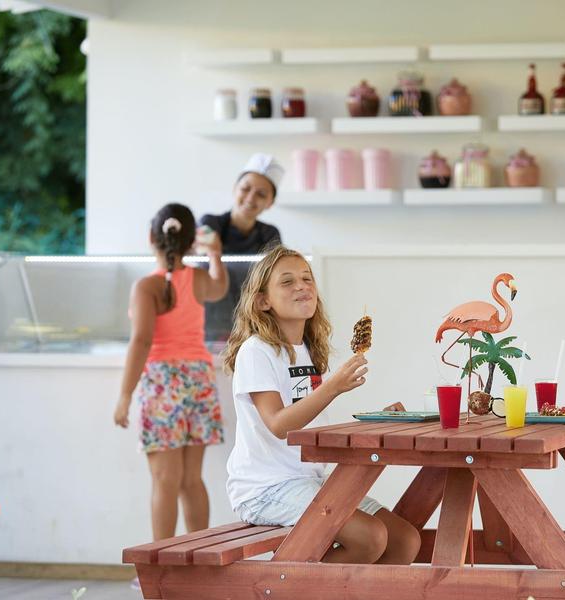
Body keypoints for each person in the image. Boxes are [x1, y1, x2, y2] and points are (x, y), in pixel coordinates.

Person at [222, 245, 421, 565]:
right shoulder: (256, 351)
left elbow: (315, 421)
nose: (302, 286)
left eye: (307, 278)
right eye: (287, 282)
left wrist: (375, 418)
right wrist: (332, 388)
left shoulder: (310, 352)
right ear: (262, 301)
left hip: (309, 480)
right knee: (369, 537)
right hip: (265, 490)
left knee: (404, 540)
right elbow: (277, 424)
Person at [114, 203, 228, 546]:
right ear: (192, 240)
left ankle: (160, 567)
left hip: (163, 384)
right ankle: (201, 564)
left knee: (165, 479)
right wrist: (216, 255)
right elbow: (220, 289)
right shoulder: (197, 277)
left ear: (151, 237)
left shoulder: (146, 287)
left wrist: (125, 394)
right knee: (192, 480)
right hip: (199, 380)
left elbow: (142, 340)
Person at [200, 153, 284, 342]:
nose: (250, 198)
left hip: (253, 329)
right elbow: (204, 249)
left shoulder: (270, 234)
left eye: (261, 194)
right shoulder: (209, 223)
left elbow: (273, 280)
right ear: (234, 189)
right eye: (245, 188)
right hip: (210, 328)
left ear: (270, 202)